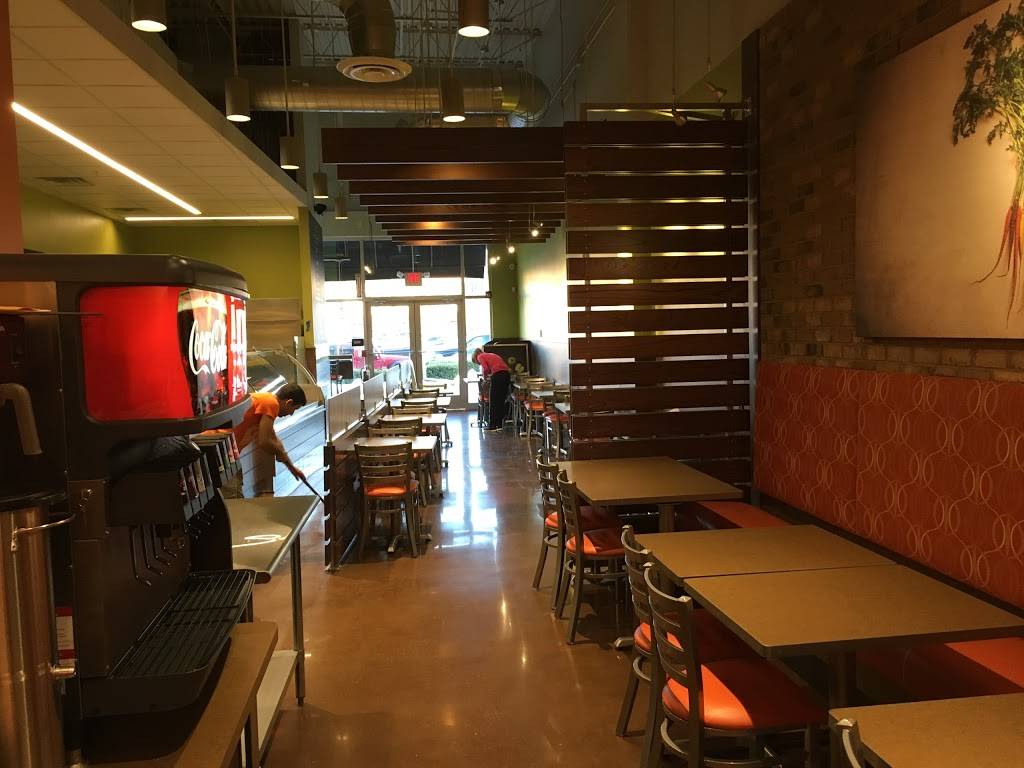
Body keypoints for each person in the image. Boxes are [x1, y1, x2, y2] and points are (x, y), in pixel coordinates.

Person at [233, 383, 308, 482]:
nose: (291, 414)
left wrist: (292, 468)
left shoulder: (267, 400)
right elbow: (264, 441)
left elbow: (273, 439)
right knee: (233, 489)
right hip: (225, 451)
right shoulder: (272, 404)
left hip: (229, 452)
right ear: (289, 403)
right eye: (294, 409)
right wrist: (279, 453)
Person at [472, 348, 510, 431]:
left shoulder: (480, 356)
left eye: (477, 363)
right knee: (500, 401)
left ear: (475, 357)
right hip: (506, 375)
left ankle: (492, 425)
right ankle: (499, 425)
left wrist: (485, 378)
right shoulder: (490, 355)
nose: (479, 364)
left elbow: (485, 369)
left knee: (493, 401)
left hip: (498, 376)